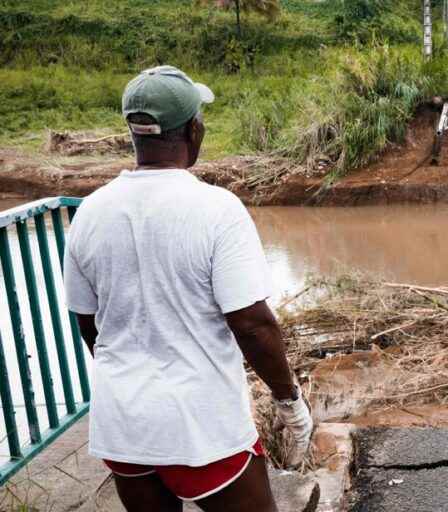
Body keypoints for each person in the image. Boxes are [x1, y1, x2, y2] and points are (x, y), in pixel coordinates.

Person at [64, 65, 313, 512]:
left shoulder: (89, 213)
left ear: (133, 134)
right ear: (194, 131)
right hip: (202, 429)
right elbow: (252, 325)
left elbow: (89, 326)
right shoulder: (217, 209)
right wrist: (288, 400)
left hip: (123, 427)